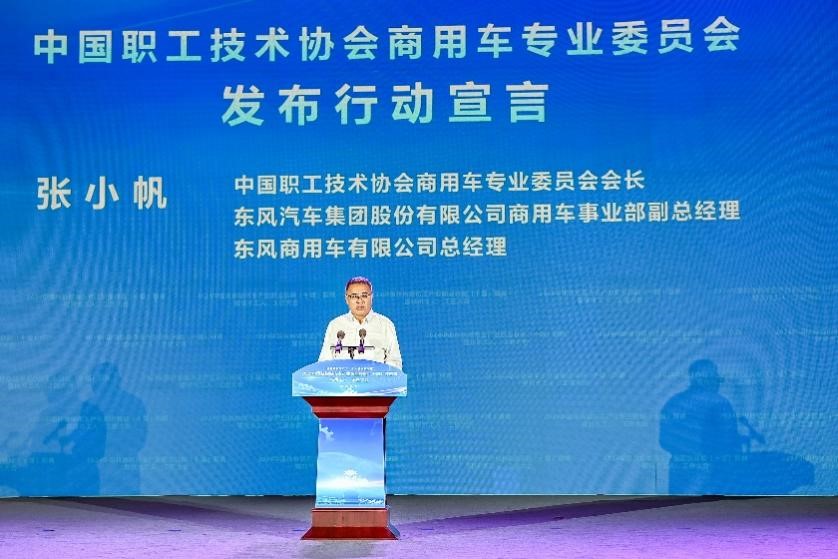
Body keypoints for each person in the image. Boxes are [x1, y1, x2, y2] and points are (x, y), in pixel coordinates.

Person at [318, 276, 403, 369]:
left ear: (371, 297)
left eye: (364, 295)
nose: (359, 301)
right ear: (346, 299)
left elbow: (395, 363)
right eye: (354, 296)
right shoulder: (335, 325)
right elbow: (324, 363)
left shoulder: (385, 325)